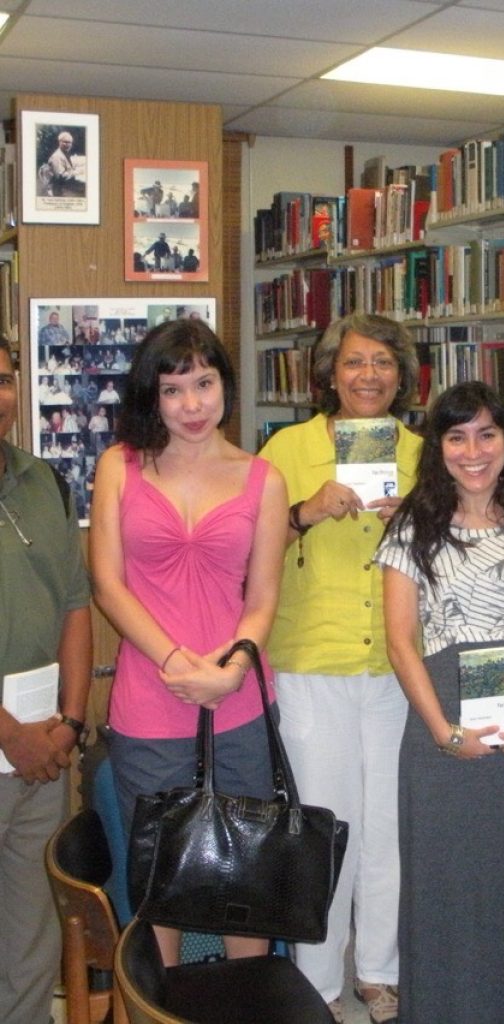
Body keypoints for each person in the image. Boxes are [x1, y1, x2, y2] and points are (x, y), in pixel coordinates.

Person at [377, 380, 504, 1024]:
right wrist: (441, 730)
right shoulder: (413, 523)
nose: (473, 450)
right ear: (437, 446)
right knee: (440, 885)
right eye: (457, 435)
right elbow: (401, 641)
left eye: (487, 434)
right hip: (441, 724)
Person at [89, 318, 288, 966]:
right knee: (158, 882)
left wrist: (231, 666)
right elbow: (108, 586)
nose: (193, 404)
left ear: (226, 385)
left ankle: (247, 1001)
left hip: (238, 703)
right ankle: (163, 1006)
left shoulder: (263, 477)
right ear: (152, 396)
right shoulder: (119, 467)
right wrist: (176, 661)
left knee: (244, 877)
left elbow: (261, 599)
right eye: (173, 389)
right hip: (151, 701)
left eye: (204, 384)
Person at [259, 313, 422, 1022]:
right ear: (329, 372)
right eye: (355, 363)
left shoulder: (422, 450)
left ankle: (379, 971)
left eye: (383, 363)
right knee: (323, 825)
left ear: (401, 375)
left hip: (393, 664)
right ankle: (319, 979)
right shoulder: (286, 448)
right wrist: (306, 509)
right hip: (312, 663)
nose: (369, 376)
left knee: (387, 824)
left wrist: (413, 523)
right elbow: (248, 544)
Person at [0, 334, 92, 1024]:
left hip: (44, 748)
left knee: (29, 933)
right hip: (13, 738)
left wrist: (70, 723)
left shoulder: (47, 483)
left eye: (4, 380)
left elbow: (75, 607)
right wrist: (11, 736)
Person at [44, 130, 85, 197]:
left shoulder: (64, 153)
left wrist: (75, 167)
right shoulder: (56, 157)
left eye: (70, 143)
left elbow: (67, 168)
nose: (68, 145)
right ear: (59, 142)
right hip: (61, 189)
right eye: (65, 142)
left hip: (67, 186)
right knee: (84, 193)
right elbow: (61, 176)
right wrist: (77, 172)